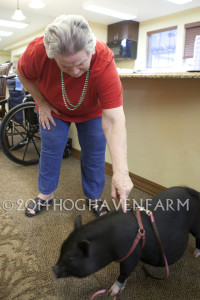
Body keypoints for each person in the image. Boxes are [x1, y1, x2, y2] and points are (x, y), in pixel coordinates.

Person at [17, 15, 133, 217]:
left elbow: (114, 121)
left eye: (81, 63)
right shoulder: (38, 51)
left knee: (94, 153)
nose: (75, 72)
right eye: (65, 66)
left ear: (91, 49)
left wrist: (121, 172)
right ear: (52, 57)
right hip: (53, 108)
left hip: (92, 111)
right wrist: (41, 103)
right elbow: (22, 73)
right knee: (51, 150)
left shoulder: (104, 60)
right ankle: (45, 194)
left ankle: (94, 197)